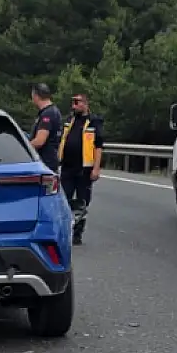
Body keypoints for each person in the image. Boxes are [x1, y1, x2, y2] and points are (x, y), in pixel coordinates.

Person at [57, 92, 104, 244]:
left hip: (84, 169)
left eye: (77, 103)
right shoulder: (69, 120)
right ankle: (66, 230)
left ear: (85, 104)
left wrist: (96, 168)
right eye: (73, 102)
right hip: (67, 167)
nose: (74, 106)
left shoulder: (93, 122)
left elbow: (98, 146)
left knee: (82, 201)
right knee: (65, 200)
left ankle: (77, 233)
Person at [29, 83, 62, 172]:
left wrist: (25, 147)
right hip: (51, 160)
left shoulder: (47, 114)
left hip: (46, 163)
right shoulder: (54, 111)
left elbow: (40, 141)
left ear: (36, 96)